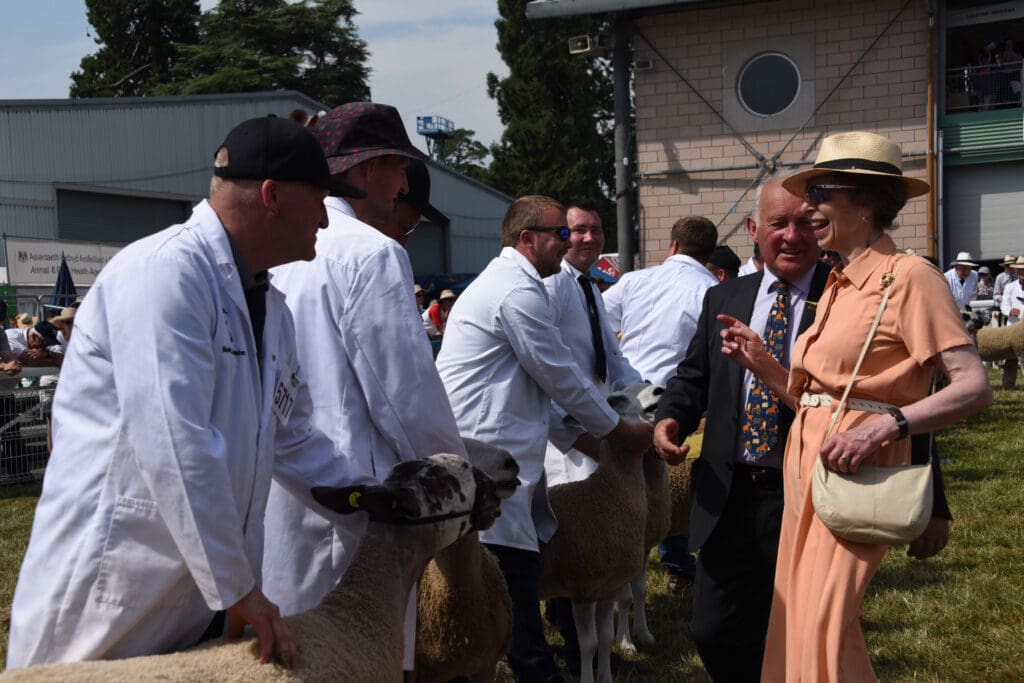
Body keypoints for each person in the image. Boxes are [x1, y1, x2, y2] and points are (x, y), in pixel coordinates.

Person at [6, 115, 372, 669]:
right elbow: (174, 440)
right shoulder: (163, 276)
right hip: (117, 581)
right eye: (319, 199)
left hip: (204, 592)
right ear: (272, 196)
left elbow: (292, 436)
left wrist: (373, 502)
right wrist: (238, 587)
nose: (325, 218)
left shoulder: (272, 308)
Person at [718, 131, 991, 681]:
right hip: (808, 464)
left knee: (823, 618)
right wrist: (766, 366)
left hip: (856, 468)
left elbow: (972, 386)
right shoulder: (839, 281)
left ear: (865, 202)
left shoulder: (911, 278)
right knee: (799, 616)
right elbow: (823, 397)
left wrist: (884, 428)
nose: (808, 206)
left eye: (820, 192)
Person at [260, 103, 465, 674]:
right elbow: (402, 390)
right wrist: (457, 477)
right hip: (356, 495)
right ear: (371, 167)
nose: (404, 184)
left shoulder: (278, 247)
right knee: (358, 653)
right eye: (400, 168)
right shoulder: (371, 252)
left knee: (291, 651)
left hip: (281, 487)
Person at [436, 195, 653, 683]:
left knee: (511, 574)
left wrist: (591, 441)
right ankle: (536, 670)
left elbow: (537, 384)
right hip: (489, 459)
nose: (569, 242)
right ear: (526, 238)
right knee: (509, 577)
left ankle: (528, 663)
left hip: (505, 455)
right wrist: (620, 433)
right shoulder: (518, 293)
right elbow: (560, 377)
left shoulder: (525, 286)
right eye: (560, 233)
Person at [540, 199, 643, 672]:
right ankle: (569, 646)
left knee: (597, 543)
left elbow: (612, 361)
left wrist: (648, 395)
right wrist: (573, 432)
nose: (588, 238)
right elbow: (551, 369)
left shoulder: (592, 290)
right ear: (561, 235)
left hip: (600, 428)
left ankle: (594, 649)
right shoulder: (551, 289)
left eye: (596, 230)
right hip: (568, 437)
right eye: (577, 230)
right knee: (570, 546)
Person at [603, 216, 719, 386]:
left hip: (621, 394)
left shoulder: (632, 280)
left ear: (674, 246)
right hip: (671, 400)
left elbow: (593, 319)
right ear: (711, 253)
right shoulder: (713, 292)